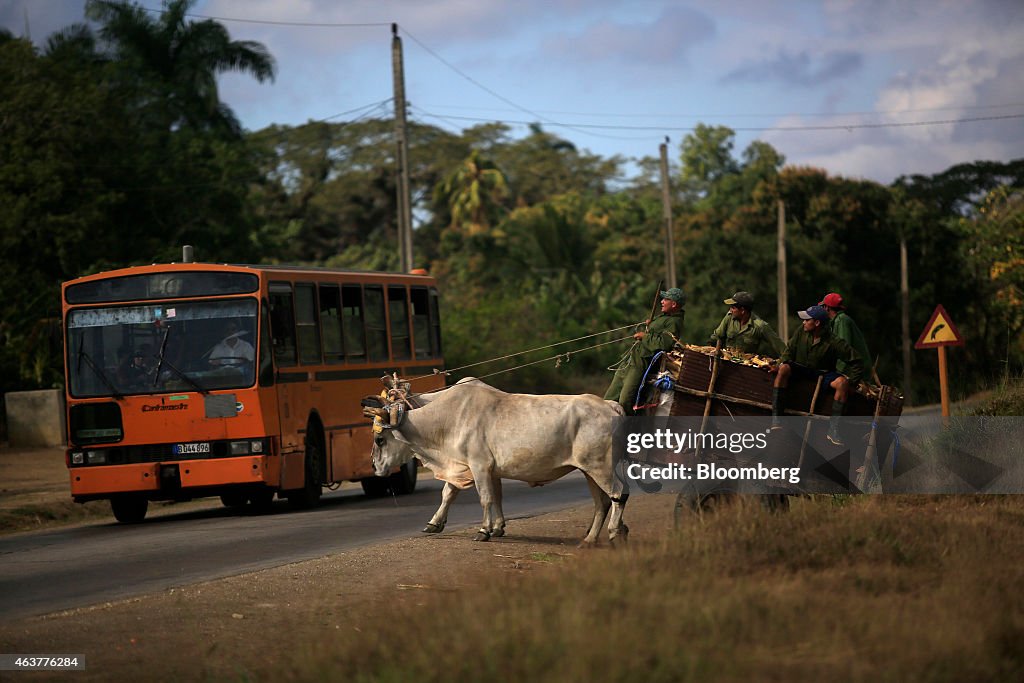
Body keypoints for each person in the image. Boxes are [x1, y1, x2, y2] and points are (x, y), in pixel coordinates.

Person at [771, 305, 864, 446]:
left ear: (817, 323)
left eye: (807, 320)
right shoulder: (800, 332)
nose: (803, 322)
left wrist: (852, 383)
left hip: (822, 373)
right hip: (801, 369)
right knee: (783, 369)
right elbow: (789, 350)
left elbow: (857, 361)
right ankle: (776, 418)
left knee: (843, 384)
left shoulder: (833, 341)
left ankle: (833, 430)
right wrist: (779, 364)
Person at [604, 287, 686, 415]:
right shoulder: (664, 316)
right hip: (630, 360)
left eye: (666, 299)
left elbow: (664, 343)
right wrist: (651, 324)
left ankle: (629, 430)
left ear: (674, 304)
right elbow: (657, 332)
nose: (662, 302)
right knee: (608, 398)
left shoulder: (674, 322)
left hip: (642, 363)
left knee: (625, 400)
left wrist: (644, 336)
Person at [709, 291, 785, 357]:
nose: (730, 310)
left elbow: (782, 349)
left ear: (742, 310)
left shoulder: (760, 326)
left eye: (733, 307)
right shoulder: (729, 318)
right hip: (727, 361)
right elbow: (717, 337)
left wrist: (780, 364)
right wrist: (710, 348)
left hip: (746, 367)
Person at [819, 292, 873, 381]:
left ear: (827, 308)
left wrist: (836, 372)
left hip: (856, 373)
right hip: (854, 370)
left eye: (823, 307)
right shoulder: (837, 321)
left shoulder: (841, 320)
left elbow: (843, 349)